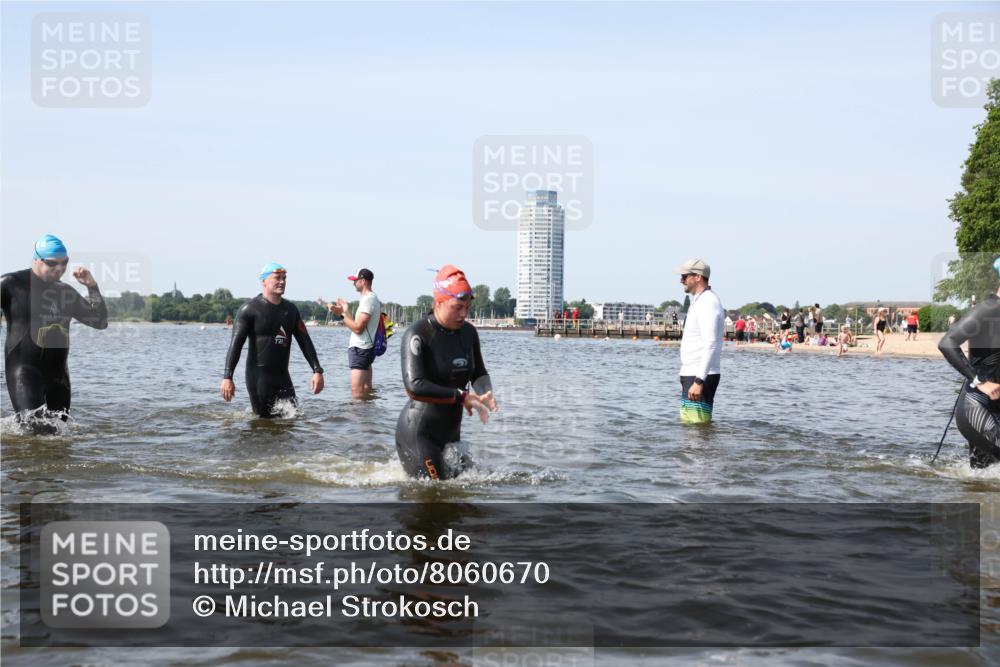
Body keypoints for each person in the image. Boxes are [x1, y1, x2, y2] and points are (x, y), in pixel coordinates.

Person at [396, 265, 497, 479]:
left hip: (451, 434)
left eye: (467, 307)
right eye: (457, 307)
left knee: (474, 489)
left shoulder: (468, 333)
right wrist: (462, 397)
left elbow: (478, 373)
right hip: (419, 434)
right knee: (437, 494)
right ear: (439, 302)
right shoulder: (418, 334)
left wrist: (485, 392)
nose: (464, 314)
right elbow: (414, 387)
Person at [1, 234, 108, 422]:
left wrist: (92, 286)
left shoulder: (65, 292)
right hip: (25, 372)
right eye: (52, 263)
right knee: (35, 429)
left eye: (64, 262)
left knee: (59, 435)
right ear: (36, 260)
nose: (59, 268)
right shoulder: (11, 284)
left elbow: (100, 321)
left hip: (59, 377)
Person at [221, 263, 324, 417]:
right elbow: (235, 346)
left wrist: (317, 370)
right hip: (259, 378)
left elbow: (305, 341)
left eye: (284, 278)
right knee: (264, 424)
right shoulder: (249, 310)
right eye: (277, 278)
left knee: (293, 419)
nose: (282, 281)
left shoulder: (290, 310)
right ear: (263, 281)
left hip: (283, 376)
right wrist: (227, 377)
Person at [938, 257, 1000, 468]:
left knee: (982, 475)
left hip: (996, 406)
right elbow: (947, 343)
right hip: (977, 404)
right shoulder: (988, 309)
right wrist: (980, 381)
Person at [674, 259, 724, 424]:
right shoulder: (699, 301)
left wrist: (698, 380)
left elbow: (710, 343)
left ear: (697, 277)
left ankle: (704, 451)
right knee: (690, 427)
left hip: (700, 375)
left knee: (697, 429)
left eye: (684, 276)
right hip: (692, 372)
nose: (681, 280)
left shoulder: (708, 302)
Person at [331, 268, 381, 397]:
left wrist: (341, 315)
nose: (353, 283)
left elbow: (358, 328)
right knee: (366, 390)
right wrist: (345, 310)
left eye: (355, 281)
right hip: (365, 348)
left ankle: (357, 417)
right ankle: (366, 416)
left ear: (363, 281)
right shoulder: (369, 299)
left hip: (361, 349)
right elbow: (356, 324)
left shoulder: (368, 299)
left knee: (356, 391)